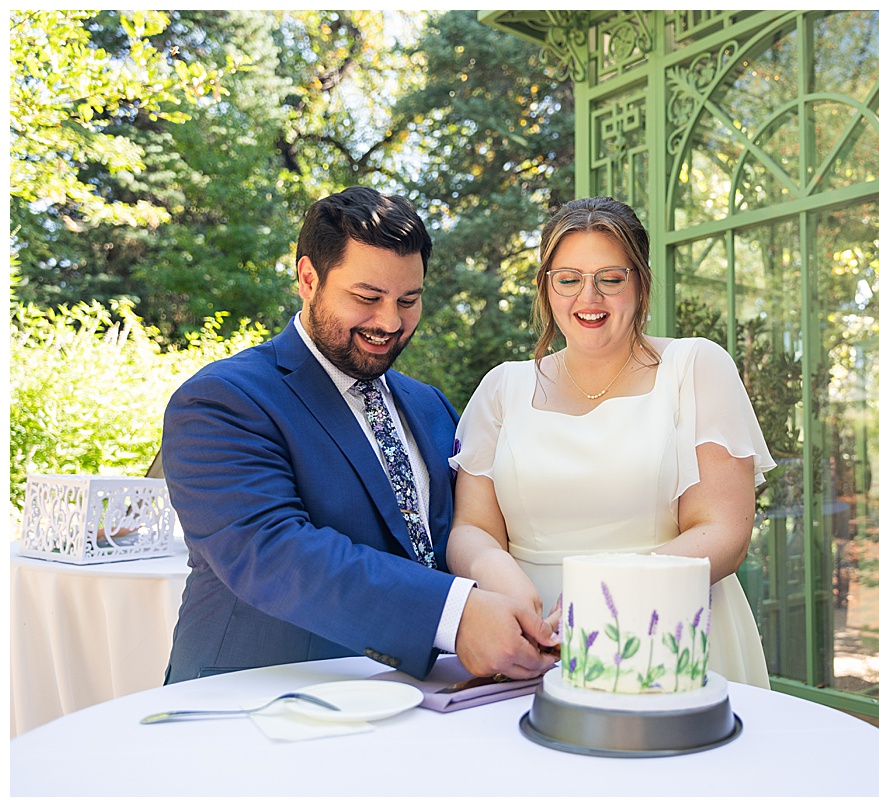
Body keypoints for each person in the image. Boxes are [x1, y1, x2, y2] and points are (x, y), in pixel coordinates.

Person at [161, 187, 558, 684]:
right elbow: (275, 552)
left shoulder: (430, 406)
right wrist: (453, 616)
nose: (389, 322)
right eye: (367, 298)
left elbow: (466, 532)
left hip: (413, 703)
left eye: (408, 300)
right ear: (309, 279)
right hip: (256, 699)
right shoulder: (221, 401)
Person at [447, 197, 775, 687]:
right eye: (569, 279)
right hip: (532, 644)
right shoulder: (501, 388)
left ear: (640, 284)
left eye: (611, 279)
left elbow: (725, 533)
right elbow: (471, 528)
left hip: (667, 632)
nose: (589, 298)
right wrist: (501, 580)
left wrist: (602, 595)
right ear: (547, 287)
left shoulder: (695, 368)